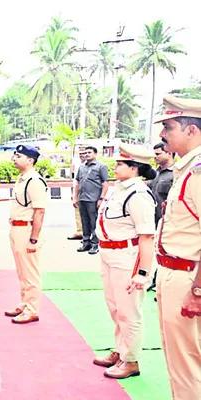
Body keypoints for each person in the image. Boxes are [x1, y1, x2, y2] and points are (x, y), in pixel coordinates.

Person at [92, 143, 157, 379]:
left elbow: (147, 236)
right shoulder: (118, 189)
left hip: (127, 256)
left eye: (120, 164)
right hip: (109, 254)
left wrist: (142, 272)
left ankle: (131, 361)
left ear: (134, 168)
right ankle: (121, 350)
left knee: (129, 311)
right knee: (115, 307)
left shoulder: (138, 194)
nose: (115, 167)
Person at [153, 96, 201, 400]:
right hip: (176, 273)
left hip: (188, 277)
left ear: (192, 131)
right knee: (183, 358)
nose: (162, 134)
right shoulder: (185, 169)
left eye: (169, 127)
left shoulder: (197, 173)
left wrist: (197, 291)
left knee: (185, 364)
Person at [4, 144, 48, 324]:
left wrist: (34, 239)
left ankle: (32, 309)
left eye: (18, 156)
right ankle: (25, 302)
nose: (14, 159)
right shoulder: (22, 179)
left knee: (30, 273)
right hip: (16, 228)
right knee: (22, 271)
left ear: (30, 160)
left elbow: (39, 211)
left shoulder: (34, 181)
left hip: (27, 230)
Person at [73, 146, 109, 255]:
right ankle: (86, 242)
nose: (87, 154)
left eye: (89, 152)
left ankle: (95, 244)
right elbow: (77, 183)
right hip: (82, 198)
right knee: (84, 221)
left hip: (93, 199)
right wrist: (75, 197)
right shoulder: (81, 167)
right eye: (86, 152)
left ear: (95, 154)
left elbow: (105, 183)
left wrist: (101, 198)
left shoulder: (101, 166)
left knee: (94, 222)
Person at [148, 142, 175, 227]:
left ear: (169, 153)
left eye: (158, 154)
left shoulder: (176, 173)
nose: (155, 157)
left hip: (166, 222)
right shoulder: (154, 173)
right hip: (151, 221)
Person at [68, 148, 86, 240]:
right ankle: (80, 232)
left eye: (84, 153)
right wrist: (74, 194)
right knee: (77, 212)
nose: (82, 155)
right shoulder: (77, 164)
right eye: (80, 153)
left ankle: (90, 234)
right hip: (77, 191)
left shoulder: (94, 165)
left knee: (90, 214)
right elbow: (75, 181)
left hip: (89, 193)